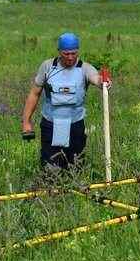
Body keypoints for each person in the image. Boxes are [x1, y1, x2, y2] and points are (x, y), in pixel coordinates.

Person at [21, 32, 110, 169]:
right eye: (66, 54)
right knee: (51, 168)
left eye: (73, 53)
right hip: (50, 125)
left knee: (75, 166)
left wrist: (103, 82)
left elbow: (95, 78)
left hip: (75, 126)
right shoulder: (47, 67)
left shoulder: (84, 68)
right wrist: (26, 121)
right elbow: (34, 93)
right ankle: (51, 189)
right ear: (59, 52)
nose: (70, 57)